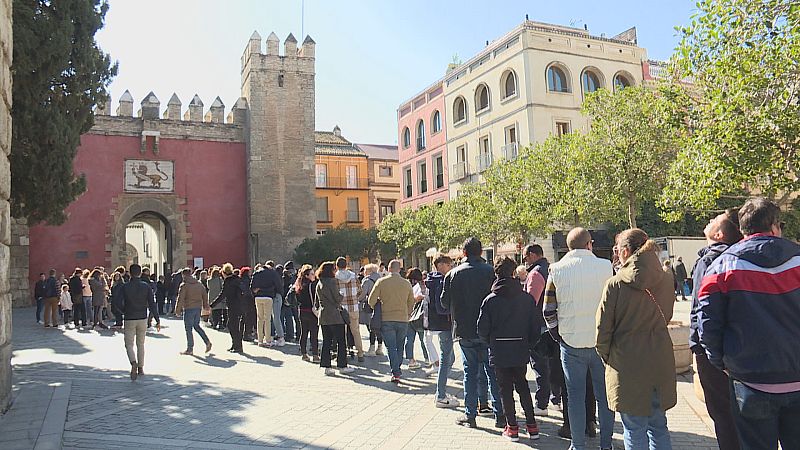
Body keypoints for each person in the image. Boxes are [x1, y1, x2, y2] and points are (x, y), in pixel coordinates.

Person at [698, 197, 800, 449]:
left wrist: (720, 361)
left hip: (749, 381)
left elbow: (708, 324)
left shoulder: (721, 267)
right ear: (775, 226)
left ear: (743, 229)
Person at [597, 228, 676, 449]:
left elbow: (602, 332)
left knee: (633, 428)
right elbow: (667, 316)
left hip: (627, 362)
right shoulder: (667, 279)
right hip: (659, 358)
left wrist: (609, 357)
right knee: (659, 426)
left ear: (625, 251)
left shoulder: (615, 284)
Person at [543, 227, 614, 450]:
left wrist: (558, 335)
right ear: (589, 244)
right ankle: (606, 444)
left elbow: (548, 310)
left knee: (574, 396)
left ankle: (578, 444)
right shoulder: (606, 267)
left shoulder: (556, 269)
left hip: (571, 342)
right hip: (601, 343)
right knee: (605, 397)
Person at [689, 210, 743, 450]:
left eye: (714, 220)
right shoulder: (740, 257)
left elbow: (702, 310)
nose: (708, 220)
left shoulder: (709, 260)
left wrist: (700, 347)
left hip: (713, 352)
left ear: (719, 234)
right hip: (739, 347)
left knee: (723, 416)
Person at [478, 257, 542, 441]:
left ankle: (512, 427)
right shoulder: (526, 299)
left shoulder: (490, 300)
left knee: (504, 389)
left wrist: (491, 342)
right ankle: (532, 426)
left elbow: (482, 329)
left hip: (499, 348)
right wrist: (528, 344)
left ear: (496, 274)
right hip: (520, 347)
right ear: (514, 273)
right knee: (522, 385)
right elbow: (535, 327)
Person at [441, 237, 502, 429]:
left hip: (465, 329)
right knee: (492, 372)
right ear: (481, 252)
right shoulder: (491, 272)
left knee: (470, 372)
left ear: (464, 253)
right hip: (489, 329)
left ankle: (471, 415)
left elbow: (444, 303)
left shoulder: (452, 274)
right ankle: (500, 414)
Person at [523, 244, 561, 419]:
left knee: (540, 366)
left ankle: (542, 402)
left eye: (525, 258)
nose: (524, 262)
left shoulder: (536, 273)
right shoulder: (552, 269)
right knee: (554, 365)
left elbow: (530, 303)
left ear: (532, 255)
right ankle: (556, 399)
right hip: (554, 324)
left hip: (539, 326)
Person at [368, 259, 415, 383]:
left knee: (391, 347)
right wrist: (408, 313)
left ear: (388, 269)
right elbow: (411, 302)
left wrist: (378, 307)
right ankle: (397, 368)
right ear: (399, 269)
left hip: (386, 318)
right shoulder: (406, 283)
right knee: (400, 346)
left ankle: (396, 371)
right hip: (403, 319)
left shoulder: (381, 282)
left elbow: (371, 301)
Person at [120, 264, 160, 381]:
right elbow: (152, 304)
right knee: (141, 344)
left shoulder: (125, 286)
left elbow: (117, 301)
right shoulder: (146, 286)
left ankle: (133, 362)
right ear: (140, 272)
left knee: (129, 344)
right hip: (142, 317)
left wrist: (122, 311)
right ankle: (141, 368)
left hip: (129, 317)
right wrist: (157, 319)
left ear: (130, 273)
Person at [315, 261, 353, 375]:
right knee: (341, 341)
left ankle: (326, 365)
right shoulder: (332, 282)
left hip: (324, 314)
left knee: (327, 341)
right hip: (335, 315)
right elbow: (337, 298)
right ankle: (342, 365)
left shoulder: (319, 283)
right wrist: (341, 294)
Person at [175, 267, 212, 355]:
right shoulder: (198, 284)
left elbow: (180, 298)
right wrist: (205, 306)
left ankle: (190, 348)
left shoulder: (184, 285)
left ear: (183, 275)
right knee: (196, 326)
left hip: (188, 308)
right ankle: (207, 342)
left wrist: (177, 310)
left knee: (188, 329)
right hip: (198, 308)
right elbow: (204, 295)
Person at [335, 257, 364, 361]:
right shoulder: (353, 276)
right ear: (346, 264)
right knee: (356, 331)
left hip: (341, 308)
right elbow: (360, 290)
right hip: (353, 307)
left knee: (342, 332)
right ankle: (360, 353)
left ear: (337, 266)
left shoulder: (335, 278)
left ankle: (344, 354)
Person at [212, 263, 245, 353]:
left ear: (224, 272)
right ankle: (235, 345)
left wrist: (212, 305)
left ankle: (238, 346)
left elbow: (222, 295)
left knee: (232, 326)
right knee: (233, 325)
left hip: (233, 306)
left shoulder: (228, 281)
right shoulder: (237, 279)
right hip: (239, 305)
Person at [250, 262, 284, 347]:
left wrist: (256, 291)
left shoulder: (257, 273)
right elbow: (278, 285)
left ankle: (260, 340)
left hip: (258, 297)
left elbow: (252, 287)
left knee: (259, 319)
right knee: (267, 319)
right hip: (268, 297)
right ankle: (268, 339)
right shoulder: (272, 273)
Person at [405, 268, 429, 369]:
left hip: (409, 315)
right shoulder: (424, 285)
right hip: (421, 316)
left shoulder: (407, 285)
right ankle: (427, 358)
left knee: (409, 339)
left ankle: (410, 360)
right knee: (423, 338)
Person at [295, 264, 319, 362]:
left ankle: (304, 353)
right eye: (312, 274)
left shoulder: (299, 285)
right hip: (311, 311)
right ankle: (315, 355)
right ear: (307, 275)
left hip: (302, 311)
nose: (314, 276)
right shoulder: (312, 285)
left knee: (304, 333)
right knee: (314, 334)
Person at [359, 264, 383, 356]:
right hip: (380, 304)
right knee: (378, 326)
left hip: (370, 305)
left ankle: (372, 348)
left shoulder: (367, 280)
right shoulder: (381, 279)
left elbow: (363, 294)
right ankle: (380, 347)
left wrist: (358, 299)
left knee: (370, 327)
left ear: (369, 271)